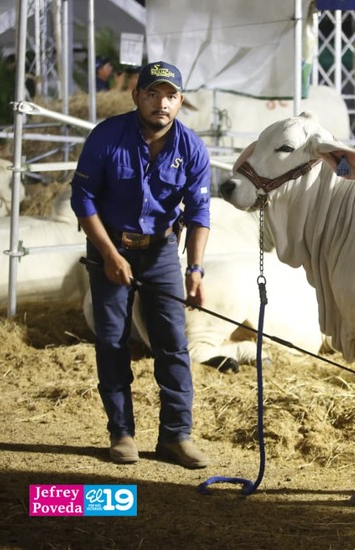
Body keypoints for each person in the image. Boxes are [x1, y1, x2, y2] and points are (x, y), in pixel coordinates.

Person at [70, 61, 212, 469]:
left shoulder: (191, 148)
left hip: (162, 250)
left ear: (180, 101)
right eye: (153, 94)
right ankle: (122, 433)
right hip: (108, 246)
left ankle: (175, 436)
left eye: (170, 96)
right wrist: (110, 255)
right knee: (113, 340)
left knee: (172, 343)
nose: (161, 104)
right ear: (137, 95)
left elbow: (200, 212)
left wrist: (195, 269)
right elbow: (82, 199)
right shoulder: (106, 137)